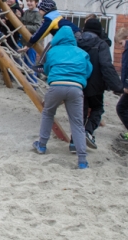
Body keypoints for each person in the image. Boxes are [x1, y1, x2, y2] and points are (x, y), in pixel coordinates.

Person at [32, 26, 93, 169]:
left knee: (48, 113)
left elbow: (46, 69)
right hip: (76, 88)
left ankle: (42, 145)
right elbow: (89, 70)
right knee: (77, 122)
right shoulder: (82, 53)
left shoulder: (53, 51)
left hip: (56, 85)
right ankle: (82, 159)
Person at [76, 18, 122, 150]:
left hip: (78, 81)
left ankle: (75, 141)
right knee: (97, 108)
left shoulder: (76, 41)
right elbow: (106, 66)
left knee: (81, 112)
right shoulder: (101, 44)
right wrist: (117, 87)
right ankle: (88, 131)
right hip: (95, 84)